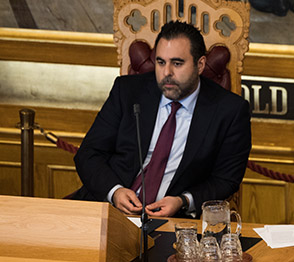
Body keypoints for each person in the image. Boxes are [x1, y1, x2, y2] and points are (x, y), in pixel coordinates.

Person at [72, 21, 251, 218]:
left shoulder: (230, 111)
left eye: (177, 63)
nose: (167, 73)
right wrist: (114, 192)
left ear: (200, 65)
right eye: (160, 62)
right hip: (107, 208)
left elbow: (226, 179)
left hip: (172, 220)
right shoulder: (128, 91)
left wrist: (183, 201)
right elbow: (88, 153)